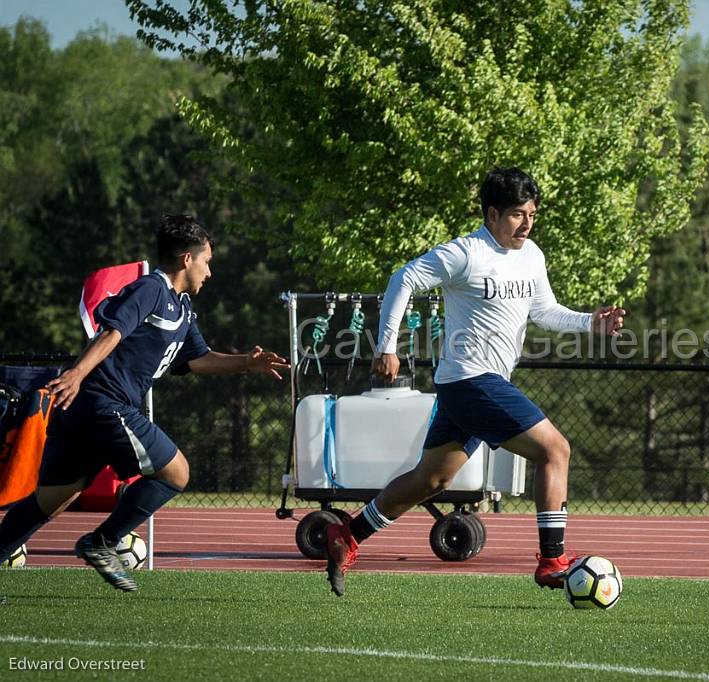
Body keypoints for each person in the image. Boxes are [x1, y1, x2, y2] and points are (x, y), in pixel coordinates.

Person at [324, 167, 626, 596]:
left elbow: (544, 311)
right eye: (519, 214)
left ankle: (349, 534)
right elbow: (403, 279)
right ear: (492, 214)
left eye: (533, 214)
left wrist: (589, 323)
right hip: (471, 381)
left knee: (431, 480)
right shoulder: (466, 253)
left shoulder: (531, 255)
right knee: (555, 451)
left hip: (470, 385)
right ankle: (552, 560)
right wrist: (386, 346)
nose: (528, 223)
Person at [0, 214, 288, 591]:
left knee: (51, 500)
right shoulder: (151, 289)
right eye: (207, 262)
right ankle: (101, 542)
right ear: (187, 258)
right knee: (177, 473)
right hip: (106, 402)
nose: (210, 272)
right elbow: (113, 332)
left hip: (90, 410)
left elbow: (197, 360)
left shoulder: (182, 307)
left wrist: (246, 364)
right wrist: (77, 372)